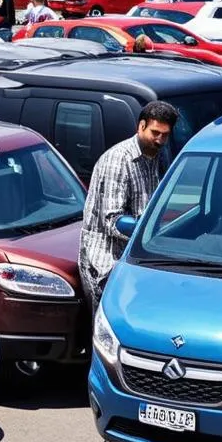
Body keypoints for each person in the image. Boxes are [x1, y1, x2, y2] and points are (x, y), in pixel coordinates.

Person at [78, 100, 179, 311]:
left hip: (138, 258)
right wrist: (146, 231)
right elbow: (112, 221)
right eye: (155, 133)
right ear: (141, 126)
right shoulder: (118, 160)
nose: (160, 140)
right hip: (108, 263)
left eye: (165, 135)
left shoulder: (156, 157)